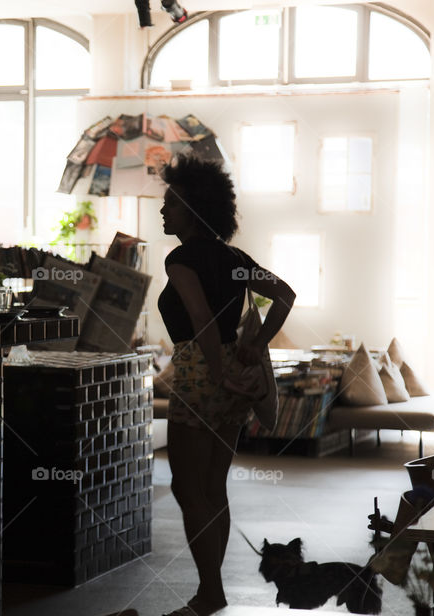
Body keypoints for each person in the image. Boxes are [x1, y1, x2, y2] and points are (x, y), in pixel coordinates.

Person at [157, 155, 296, 616]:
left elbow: (200, 318)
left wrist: (215, 370)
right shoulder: (235, 259)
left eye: (171, 205)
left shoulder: (180, 257)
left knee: (187, 488)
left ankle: (209, 593)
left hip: (202, 374)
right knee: (213, 486)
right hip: (234, 376)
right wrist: (254, 346)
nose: (163, 212)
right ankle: (210, 590)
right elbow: (285, 295)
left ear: (193, 211)